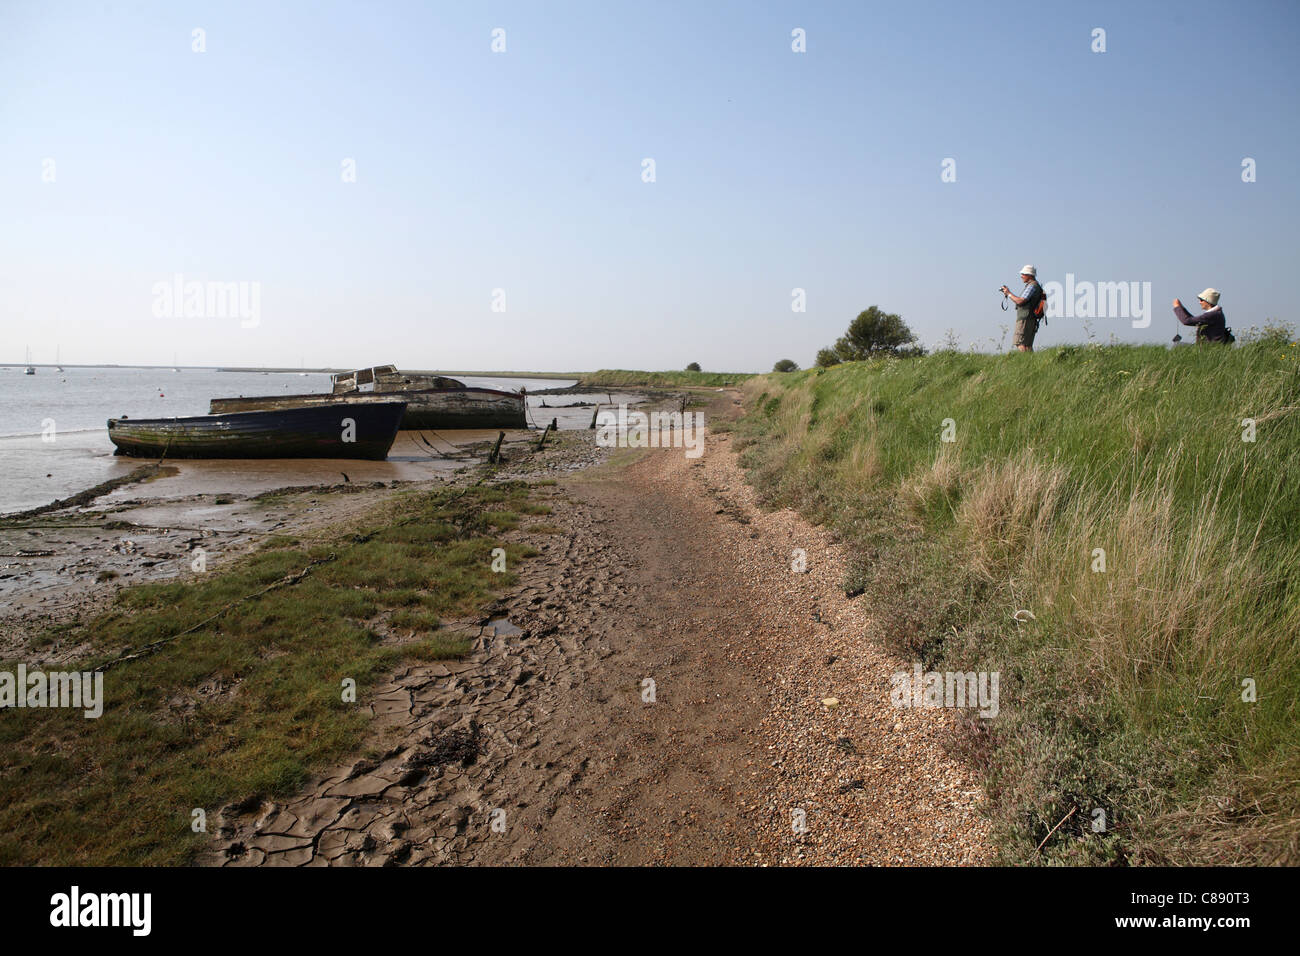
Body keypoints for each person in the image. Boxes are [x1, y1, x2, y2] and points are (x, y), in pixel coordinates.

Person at [1000, 265, 1045, 352]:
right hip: (1031, 319)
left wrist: (1008, 293)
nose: (1021, 276)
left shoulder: (1032, 286)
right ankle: (1031, 364)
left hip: (1025, 319)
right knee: (1028, 345)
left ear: (1029, 275)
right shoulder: (1036, 285)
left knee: (1020, 343)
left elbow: (1020, 301)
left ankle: (1027, 364)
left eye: (1023, 274)